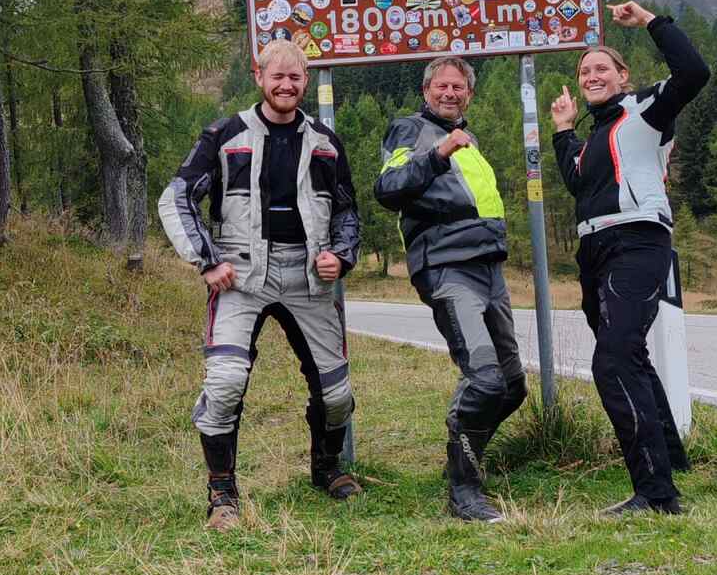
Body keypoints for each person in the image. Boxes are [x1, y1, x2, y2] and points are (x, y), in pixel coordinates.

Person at [158, 39, 361, 531]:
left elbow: (347, 211)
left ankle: (327, 468)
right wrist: (207, 260)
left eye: (295, 77)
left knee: (337, 395)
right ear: (259, 76)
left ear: (305, 81)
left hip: (308, 278)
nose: (286, 85)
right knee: (225, 383)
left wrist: (342, 254)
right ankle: (222, 492)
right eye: (277, 76)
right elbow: (176, 198)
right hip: (241, 277)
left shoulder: (326, 143)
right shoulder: (225, 135)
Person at [549, 0, 711, 516]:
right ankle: (672, 462)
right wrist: (562, 130)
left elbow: (694, 72)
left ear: (623, 75)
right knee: (630, 356)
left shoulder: (647, 109)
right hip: (593, 249)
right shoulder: (594, 134)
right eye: (584, 70)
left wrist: (649, 22)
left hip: (638, 240)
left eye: (602, 67)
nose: (591, 74)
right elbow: (577, 182)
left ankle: (656, 493)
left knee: (614, 359)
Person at [375, 57, 527, 522]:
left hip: (487, 266)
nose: (450, 93)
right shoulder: (409, 130)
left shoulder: (471, 138)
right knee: (483, 378)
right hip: (445, 265)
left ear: (470, 94)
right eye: (441, 86)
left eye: (458, 86)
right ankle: (465, 490)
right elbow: (389, 187)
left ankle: (463, 453)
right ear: (426, 91)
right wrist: (439, 154)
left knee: (512, 386)